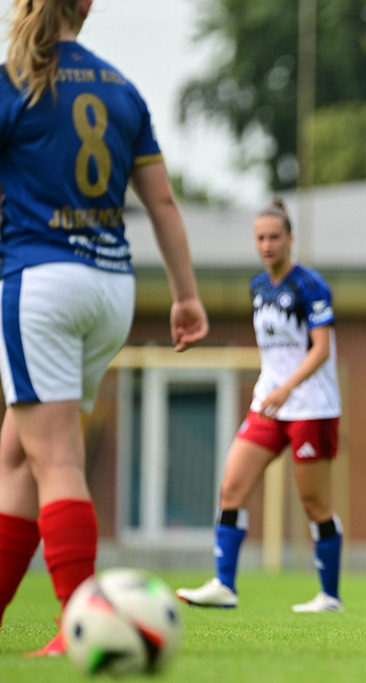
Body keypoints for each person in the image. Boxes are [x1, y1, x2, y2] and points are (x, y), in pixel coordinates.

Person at [0, 0, 209, 657]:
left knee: (54, 455)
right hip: (112, 289)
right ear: (86, 5)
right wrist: (186, 295)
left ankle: (81, 625)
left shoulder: (14, 80)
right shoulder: (122, 89)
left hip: (40, 283)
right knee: (18, 454)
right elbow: (163, 203)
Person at [176, 199, 344, 614]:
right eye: (261, 238)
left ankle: (329, 596)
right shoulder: (257, 287)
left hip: (311, 406)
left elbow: (321, 350)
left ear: (290, 239)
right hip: (268, 404)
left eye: (274, 237)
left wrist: (286, 387)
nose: (267, 245)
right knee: (232, 486)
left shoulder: (310, 285)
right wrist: (273, 388)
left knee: (314, 504)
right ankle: (224, 585)